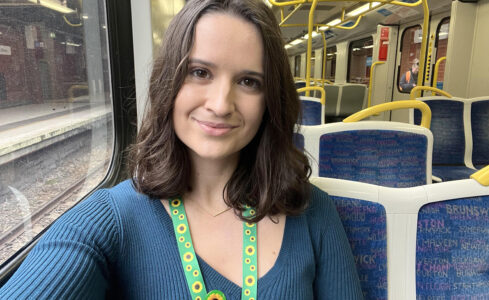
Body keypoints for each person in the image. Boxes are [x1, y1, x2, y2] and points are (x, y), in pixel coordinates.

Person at [0, 0, 363, 299]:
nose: (221, 105)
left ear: (270, 101)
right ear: (168, 82)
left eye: (249, 81)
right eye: (200, 73)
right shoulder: (111, 220)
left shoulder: (314, 212)